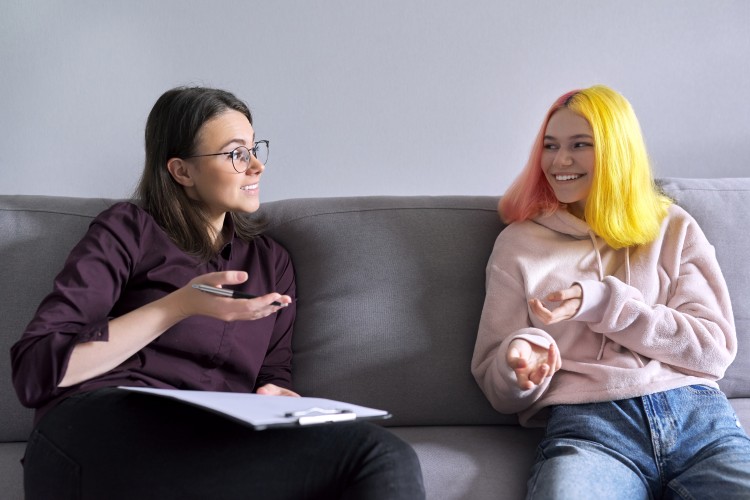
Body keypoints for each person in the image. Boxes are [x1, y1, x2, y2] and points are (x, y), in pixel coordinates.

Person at [11, 86, 425, 500]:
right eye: (236, 153)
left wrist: (275, 395)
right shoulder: (129, 230)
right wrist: (176, 307)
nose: (256, 166)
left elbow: (271, 374)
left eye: (254, 148)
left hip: (209, 441)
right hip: (100, 430)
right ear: (182, 171)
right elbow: (36, 369)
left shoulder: (270, 263)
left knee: (384, 455)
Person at [471, 84, 750, 499]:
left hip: (699, 420)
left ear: (615, 152)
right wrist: (518, 366)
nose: (559, 161)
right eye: (550, 146)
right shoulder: (518, 243)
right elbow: (498, 386)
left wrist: (603, 302)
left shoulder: (671, 227)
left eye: (579, 145)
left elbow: (713, 349)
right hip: (590, 428)